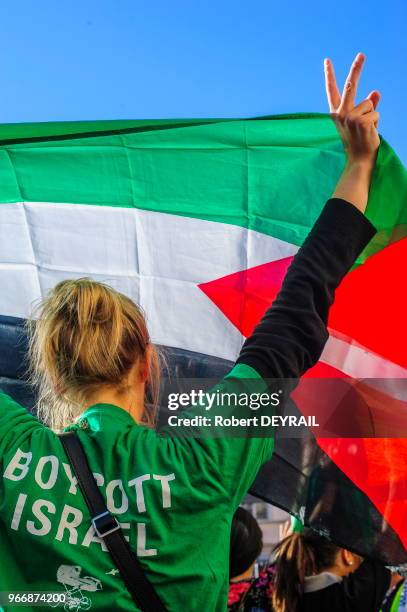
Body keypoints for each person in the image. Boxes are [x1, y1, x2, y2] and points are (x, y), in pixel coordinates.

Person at [0, 52, 381, 611]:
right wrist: (359, 166)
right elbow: (296, 312)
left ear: (51, 373)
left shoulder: (13, 454)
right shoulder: (204, 462)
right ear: (147, 363)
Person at [272, 529, 391, 612]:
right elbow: (384, 549)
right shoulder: (347, 600)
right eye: (360, 557)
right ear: (347, 554)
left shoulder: (289, 598)